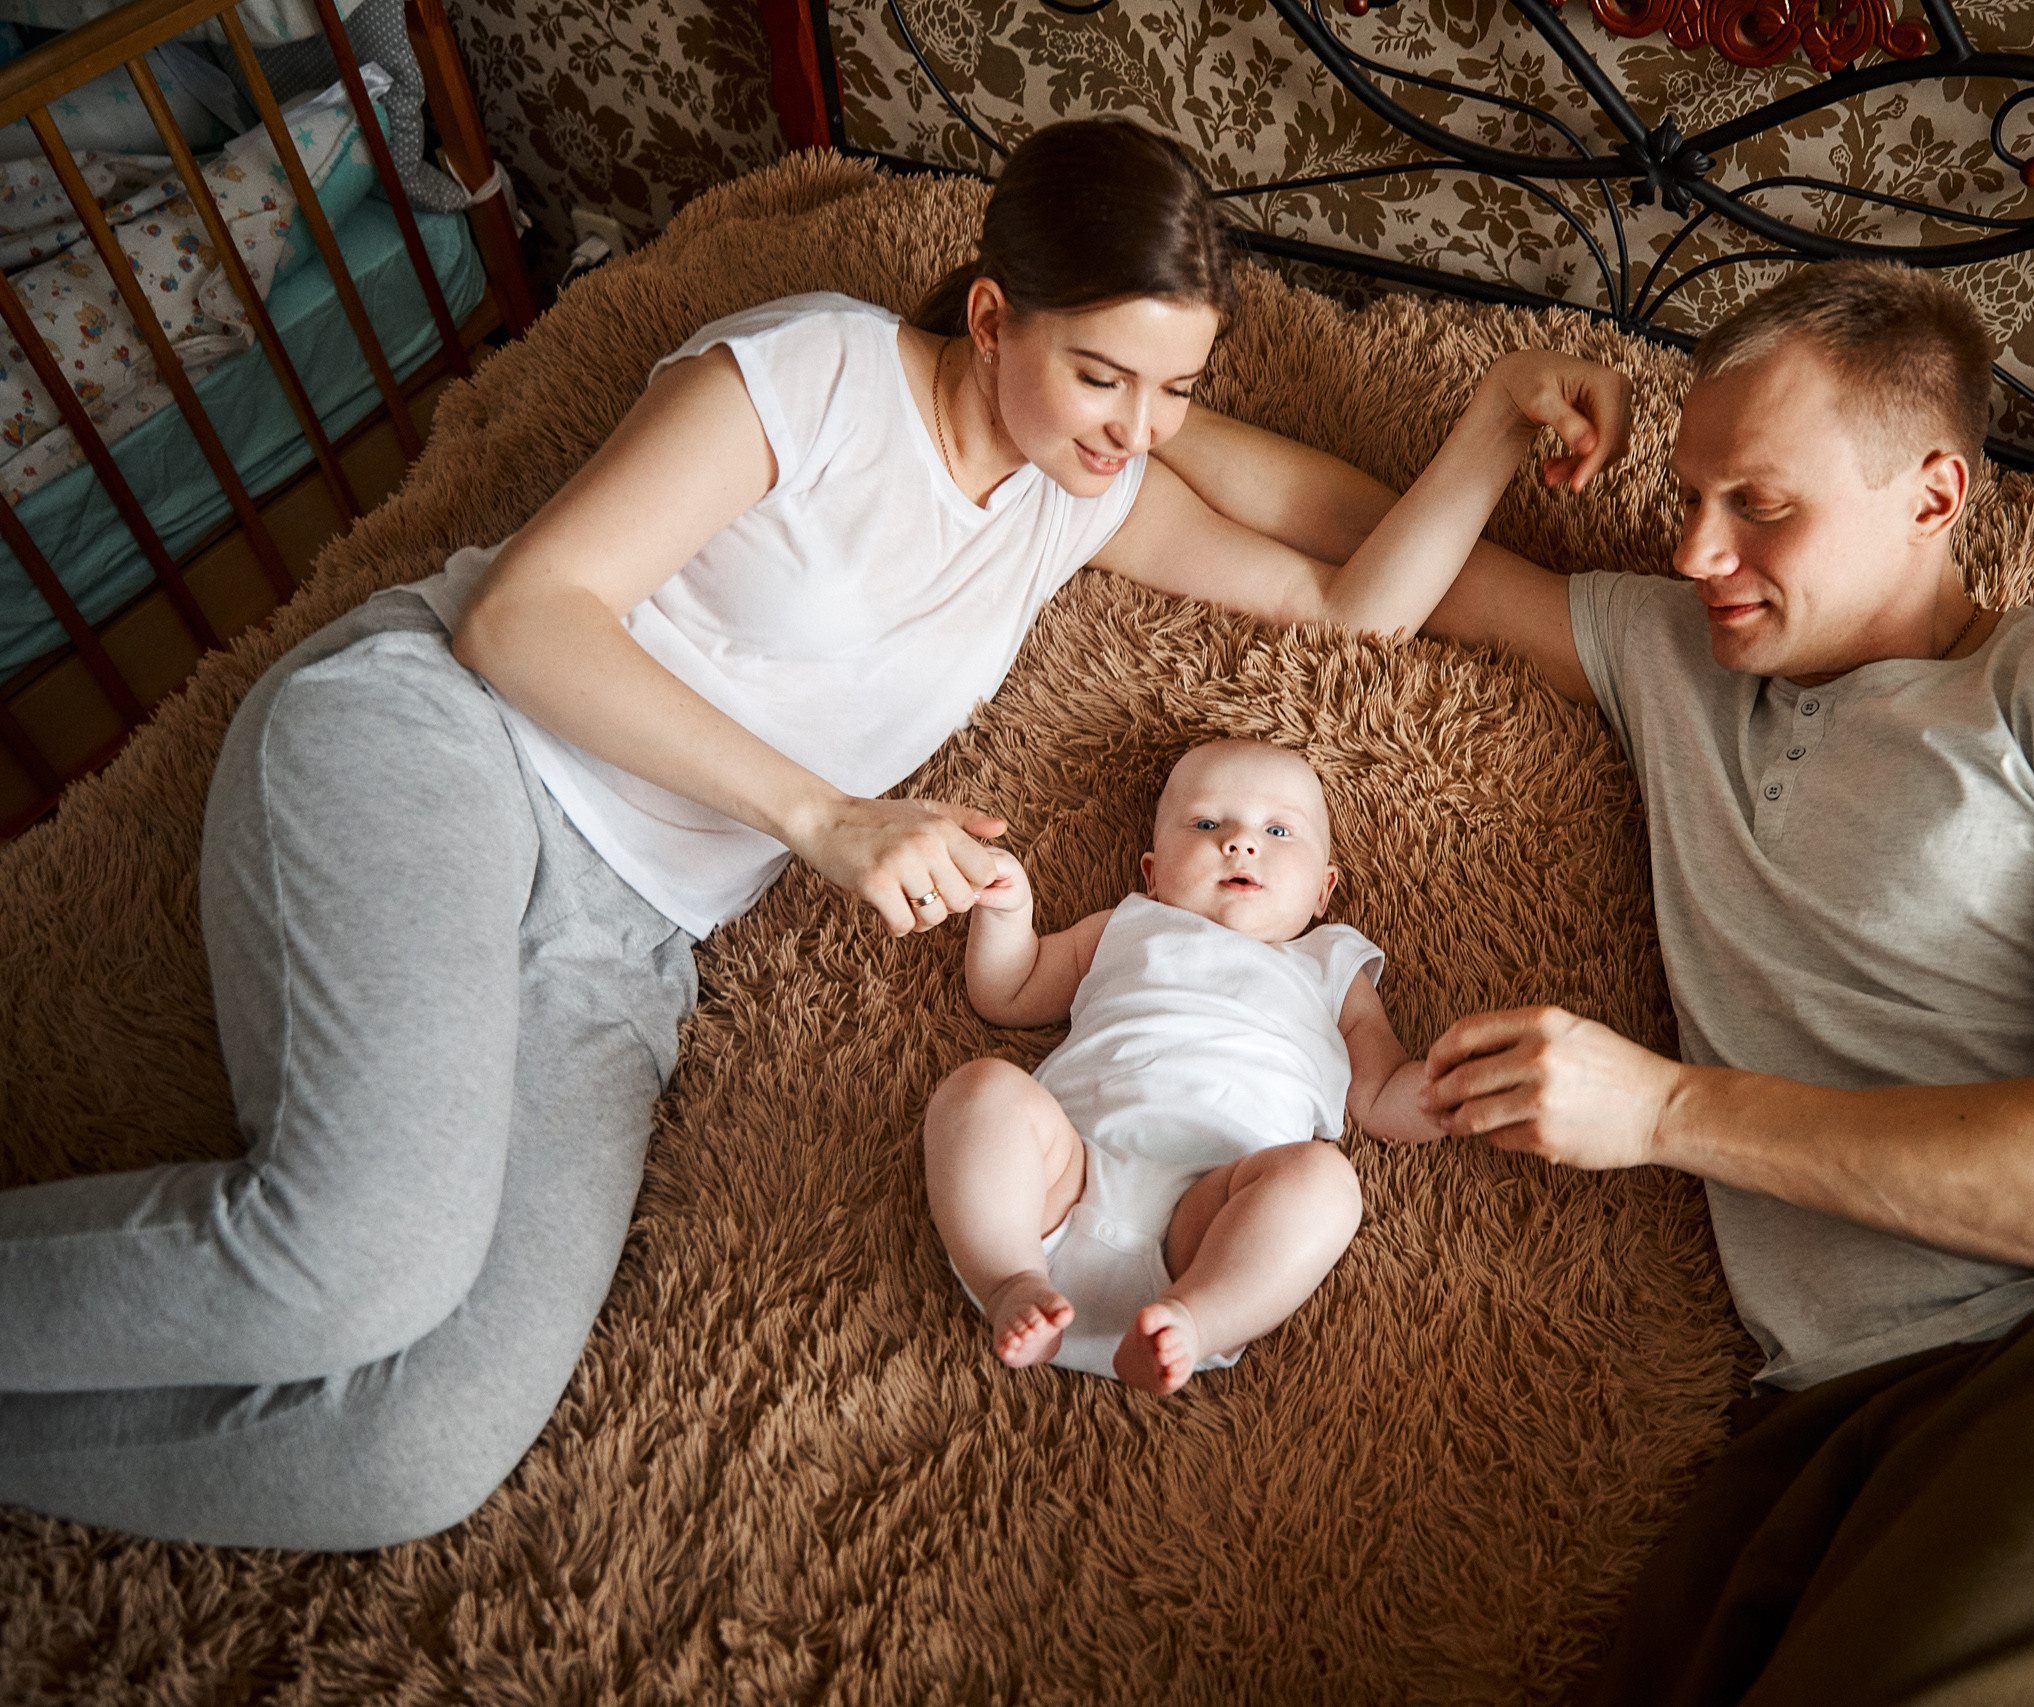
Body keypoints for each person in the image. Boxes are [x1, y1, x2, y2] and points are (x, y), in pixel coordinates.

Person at [0, 119, 1627, 1550]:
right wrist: (822, 816)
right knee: (356, 1262)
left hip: (623, 936)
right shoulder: (810, 370)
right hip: (448, 743)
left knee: (408, 1452)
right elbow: (523, 616)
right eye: (1102, 375)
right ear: (994, 316)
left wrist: (1489, 424)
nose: (1137, 429)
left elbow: (1354, 585)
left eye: (1178, 391)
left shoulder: (1089, 490)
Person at [1156, 260, 2034, 1705]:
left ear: (1935, 495)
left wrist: (1669, 1107)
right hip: (1822, 1434)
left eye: (1760, 504)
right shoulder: (1674, 659)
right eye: (1690, 495)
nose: (1694, 551)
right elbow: (1360, 542)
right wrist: (1120, 402)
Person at [926, 737, 1440, 1395]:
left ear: (1323, 888)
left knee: (1326, 1182)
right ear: (1152, 872)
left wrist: (1443, 1092)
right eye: (1206, 823)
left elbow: (1380, 1092)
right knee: (980, 1087)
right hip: (1062, 1184)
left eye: (1278, 829)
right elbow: (1010, 991)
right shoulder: (1125, 926)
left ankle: (1194, 1321)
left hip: (1211, 1222)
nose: (1241, 843)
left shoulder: (1330, 965)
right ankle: (1011, 1280)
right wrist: (1007, 912)